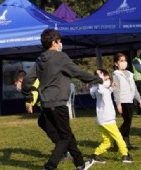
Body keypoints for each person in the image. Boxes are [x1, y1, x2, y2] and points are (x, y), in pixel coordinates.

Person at [21, 29, 101, 170]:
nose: (61, 44)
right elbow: (78, 73)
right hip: (57, 103)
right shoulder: (60, 57)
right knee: (65, 138)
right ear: (54, 42)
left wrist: (28, 97)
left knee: (67, 134)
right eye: (59, 41)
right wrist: (97, 79)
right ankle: (49, 166)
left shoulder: (40, 59)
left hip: (46, 104)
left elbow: (27, 80)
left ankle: (80, 164)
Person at [89, 69, 134, 165]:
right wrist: (100, 78)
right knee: (118, 137)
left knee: (108, 141)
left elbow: (107, 91)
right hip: (107, 119)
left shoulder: (103, 88)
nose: (108, 77)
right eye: (105, 76)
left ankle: (96, 154)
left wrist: (112, 87)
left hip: (102, 120)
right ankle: (125, 155)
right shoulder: (100, 87)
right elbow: (101, 89)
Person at [112, 52, 141, 150]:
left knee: (128, 122)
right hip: (123, 101)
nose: (124, 62)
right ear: (116, 63)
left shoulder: (130, 74)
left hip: (130, 101)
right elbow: (116, 90)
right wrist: (118, 104)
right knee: (126, 121)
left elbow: (134, 88)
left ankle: (126, 142)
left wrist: (139, 99)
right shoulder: (116, 74)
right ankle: (117, 140)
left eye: (125, 60)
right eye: (121, 61)